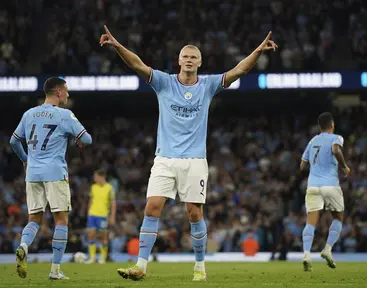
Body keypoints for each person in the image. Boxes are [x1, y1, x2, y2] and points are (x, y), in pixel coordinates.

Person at [99, 25, 277, 281]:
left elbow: (240, 70)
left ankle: (199, 266)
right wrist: (117, 47)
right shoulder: (164, 82)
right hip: (164, 158)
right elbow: (137, 65)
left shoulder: (208, 85)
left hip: (194, 160)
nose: (189, 60)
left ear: (200, 62)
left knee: (194, 213)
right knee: (152, 207)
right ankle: (140, 266)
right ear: (178, 61)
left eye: (194, 57)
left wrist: (258, 51)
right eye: (186, 57)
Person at [9, 77, 92, 279]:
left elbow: (14, 141)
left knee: (34, 219)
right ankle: (55, 270)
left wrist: (25, 160)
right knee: (61, 221)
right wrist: (78, 139)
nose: (68, 94)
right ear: (59, 92)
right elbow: (87, 139)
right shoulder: (64, 115)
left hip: (33, 174)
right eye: (67, 91)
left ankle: (23, 246)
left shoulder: (29, 114)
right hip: (55, 172)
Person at [300, 112, 351, 272]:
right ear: (332, 124)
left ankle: (307, 254)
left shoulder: (312, 141)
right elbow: (336, 150)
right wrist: (344, 167)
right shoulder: (336, 138)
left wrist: (315, 169)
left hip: (313, 185)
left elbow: (302, 166)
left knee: (310, 222)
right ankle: (327, 249)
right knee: (338, 217)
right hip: (330, 185)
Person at [86, 169, 116, 264]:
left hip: (103, 215)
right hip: (92, 214)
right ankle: (92, 258)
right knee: (91, 235)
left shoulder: (109, 188)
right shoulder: (93, 187)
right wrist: (88, 212)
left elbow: (113, 203)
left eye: (96, 177)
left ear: (101, 177)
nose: (94, 178)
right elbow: (90, 200)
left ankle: (102, 258)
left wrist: (112, 216)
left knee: (103, 236)